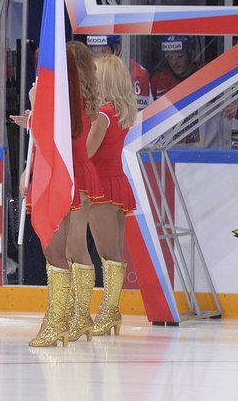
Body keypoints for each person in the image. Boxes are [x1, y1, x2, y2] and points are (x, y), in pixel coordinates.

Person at [24, 41, 100, 346]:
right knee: (60, 250)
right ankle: (65, 318)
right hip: (59, 176)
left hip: (57, 178)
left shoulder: (61, 102)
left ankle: (59, 322)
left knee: (58, 251)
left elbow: (51, 139)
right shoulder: (71, 99)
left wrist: (35, 101)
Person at [84, 54, 138, 337]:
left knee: (108, 254)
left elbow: (87, 152)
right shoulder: (120, 113)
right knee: (114, 255)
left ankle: (108, 312)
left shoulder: (103, 115)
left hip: (102, 187)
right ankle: (111, 312)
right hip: (117, 183)